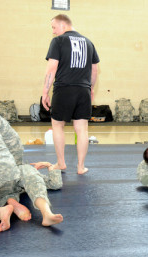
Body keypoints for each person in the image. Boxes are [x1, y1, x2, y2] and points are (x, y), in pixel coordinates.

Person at [42, 14, 100, 175]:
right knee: (82, 129)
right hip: (83, 90)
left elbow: (51, 69)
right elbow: (95, 70)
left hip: (64, 89)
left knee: (57, 125)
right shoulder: (89, 42)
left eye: (54, 27)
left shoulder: (58, 41)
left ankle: (61, 163)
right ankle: (81, 167)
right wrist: (91, 88)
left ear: (63, 25)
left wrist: (45, 92)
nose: (53, 32)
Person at [0, 162, 64, 227]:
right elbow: (54, 184)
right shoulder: (25, 169)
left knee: (32, 179)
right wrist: (50, 165)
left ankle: (11, 201)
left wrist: (49, 165)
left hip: (5, 180)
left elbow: (55, 184)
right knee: (31, 177)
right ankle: (47, 213)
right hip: (8, 173)